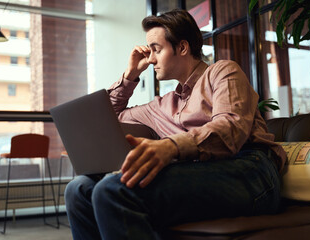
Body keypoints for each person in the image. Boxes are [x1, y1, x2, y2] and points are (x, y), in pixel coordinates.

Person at [64, 9, 287, 240]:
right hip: (196, 171)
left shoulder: (222, 72)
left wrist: (171, 146)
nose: (150, 60)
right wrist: (129, 76)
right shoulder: (163, 105)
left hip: (250, 170)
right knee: (78, 189)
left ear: (182, 48)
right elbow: (108, 117)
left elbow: (230, 128)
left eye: (156, 50)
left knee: (112, 189)